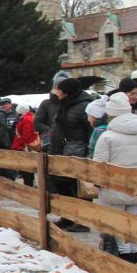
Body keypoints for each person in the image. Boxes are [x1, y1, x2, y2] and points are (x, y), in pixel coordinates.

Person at [92, 92, 137, 263]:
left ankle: (124, 255)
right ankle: (132, 252)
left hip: (114, 186)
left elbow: (99, 165)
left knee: (117, 222)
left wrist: (97, 183)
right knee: (132, 218)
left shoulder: (107, 136)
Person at [50, 77, 94, 232]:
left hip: (77, 152)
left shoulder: (84, 106)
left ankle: (82, 221)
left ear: (66, 92)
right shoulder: (64, 105)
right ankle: (68, 216)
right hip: (62, 151)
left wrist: (89, 153)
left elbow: (91, 131)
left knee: (78, 187)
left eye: (59, 89)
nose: (56, 92)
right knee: (62, 184)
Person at [35, 70, 71, 152]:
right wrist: (53, 131)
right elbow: (37, 123)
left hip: (68, 145)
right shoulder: (46, 103)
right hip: (50, 143)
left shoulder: (71, 103)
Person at [11, 104, 38, 186]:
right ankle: (29, 183)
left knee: (26, 168)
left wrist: (19, 144)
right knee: (27, 168)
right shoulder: (28, 118)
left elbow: (26, 135)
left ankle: (28, 185)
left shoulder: (26, 119)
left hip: (24, 147)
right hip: (25, 146)